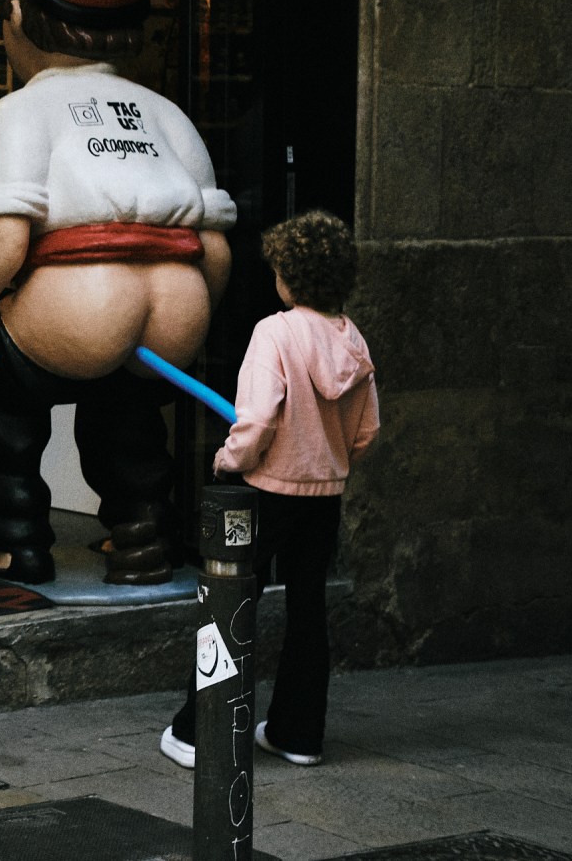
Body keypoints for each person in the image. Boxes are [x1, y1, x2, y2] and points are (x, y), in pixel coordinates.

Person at [0, 0, 235, 585]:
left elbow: (8, 235)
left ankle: (12, 541)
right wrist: (194, 320)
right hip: (175, 306)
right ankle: (142, 537)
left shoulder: (16, 113)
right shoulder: (167, 115)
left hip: (78, 302)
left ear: (16, 16)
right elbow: (215, 248)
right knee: (129, 407)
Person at [160, 209, 379, 770]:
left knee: (230, 606)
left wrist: (226, 461)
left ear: (289, 275)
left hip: (263, 493)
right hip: (324, 495)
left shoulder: (274, 333)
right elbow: (366, 431)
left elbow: (255, 423)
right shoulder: (352, 339)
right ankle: (298, 734)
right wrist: (327, 461)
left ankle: (197, 732)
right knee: (309, 612)